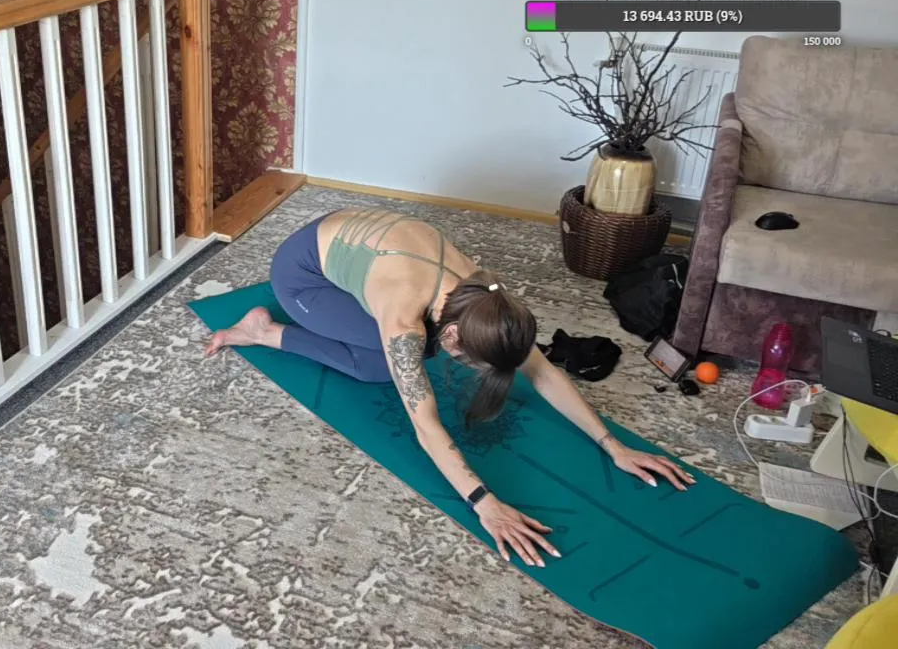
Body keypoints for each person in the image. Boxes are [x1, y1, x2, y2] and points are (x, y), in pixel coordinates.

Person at [205, 207, 695, 567]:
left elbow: (544, 372)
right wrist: (485, 503)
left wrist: (613, 446)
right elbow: (425, 423)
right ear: (455, 333)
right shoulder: (405, 319)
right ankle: (262, 331)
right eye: (470, 361)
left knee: (426, 351)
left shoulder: (488, 299)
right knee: (381, 365)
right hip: (304, 273)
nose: (472, 371)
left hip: (356, 240)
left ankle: (272, 327)